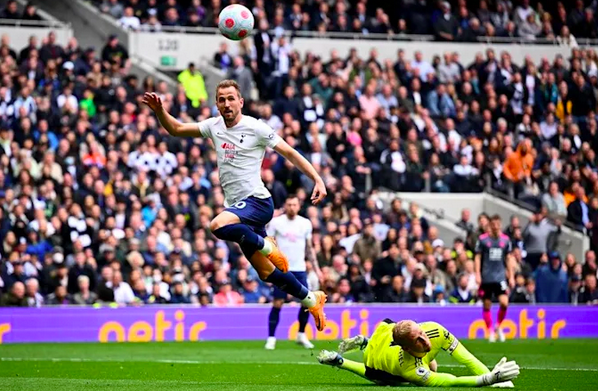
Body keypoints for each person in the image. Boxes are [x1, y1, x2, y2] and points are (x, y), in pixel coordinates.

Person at [142, 80, 328, 330]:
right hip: (241, 211)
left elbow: (290, 152)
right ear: (217, 104)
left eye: (231, 98)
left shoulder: (256, 128)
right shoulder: (213, 126)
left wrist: (317, 178)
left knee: (217, 225)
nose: (226, 103)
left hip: (258, 202)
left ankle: (265, 244)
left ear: (241, 102)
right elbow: (176, 129)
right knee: (266, 273)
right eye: (221, 99)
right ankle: (310, 298)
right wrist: (159, 111)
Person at [317, 319, 519, 388]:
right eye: (418, 341)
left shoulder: (435, 330)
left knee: (431, 363)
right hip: (377, 360)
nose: (426, 341)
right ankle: (341, 360)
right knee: (385, 380)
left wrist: (492, 377)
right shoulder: (407, 367)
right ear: (405, 348)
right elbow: (449, 381)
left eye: (422, 333)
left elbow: (465, 356)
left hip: (386, 329)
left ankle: (366, 341)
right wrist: (486, 379)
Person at [265, 194, 319, 350]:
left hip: (300, 269)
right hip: (281, 269)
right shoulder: (276, 222)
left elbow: (309, 248)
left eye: (294, 205)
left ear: (299, 206)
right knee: (278, 302)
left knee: (307, 301)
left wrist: (316, 269)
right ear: (285, 205)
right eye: (289, 204)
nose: (292, 207)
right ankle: (271, 337)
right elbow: (269, 244)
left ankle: (301, 334)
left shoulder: (305, 223)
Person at [474, 215, 515, 343]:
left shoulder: (506, 241)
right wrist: (477, 274)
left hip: (500, 277)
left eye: (498, 224)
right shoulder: (483, 240)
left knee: (504, 303)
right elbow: (478, 257)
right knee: (487, 305)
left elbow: (508, 258)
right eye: (494, 224)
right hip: (486, 277)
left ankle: (497, 325)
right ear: (490, 225)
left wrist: (511, 275)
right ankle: (490, 331)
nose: (496, 226)